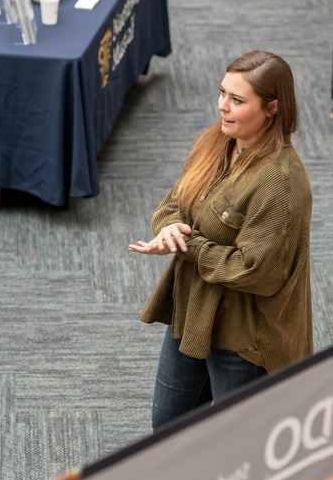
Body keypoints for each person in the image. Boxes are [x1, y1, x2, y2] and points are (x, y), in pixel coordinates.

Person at [128, 50, 312, 430]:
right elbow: (173, 203)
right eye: (222, 93)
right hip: (193, 311)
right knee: (167, 429)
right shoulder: (217, 140)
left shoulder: (280, 184)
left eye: (238, 100)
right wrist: (170, 229)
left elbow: (254, 271)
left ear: (272, 108)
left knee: (238, 446)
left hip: (245, 337)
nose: (222, 107)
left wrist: (188, 245)